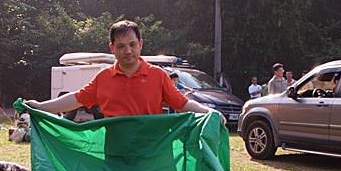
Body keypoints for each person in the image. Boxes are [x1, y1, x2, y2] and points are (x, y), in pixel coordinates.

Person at [25, 20, 223, 123]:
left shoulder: (158, 76)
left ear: (140, 44)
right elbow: (75, 99)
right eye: (121, 46)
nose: (127, 51)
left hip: (152, 155)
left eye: (132, 44)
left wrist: (210, 112)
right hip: (115, 158)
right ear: (112, 48)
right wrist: (41, 107)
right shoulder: (103, 78)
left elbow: (183, 104)